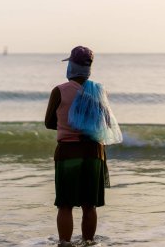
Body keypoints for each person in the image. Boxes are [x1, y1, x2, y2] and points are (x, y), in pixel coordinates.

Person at [45, 46, 122, 246]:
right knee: (90, 205)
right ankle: (88, 242)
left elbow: (48, 123)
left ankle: (64, 243)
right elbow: (105, 122)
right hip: (94, 153)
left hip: (68, 153)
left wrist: (66, 126)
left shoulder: (59, 90)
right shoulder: (98, 91)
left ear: (71, 65)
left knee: (65, 205)